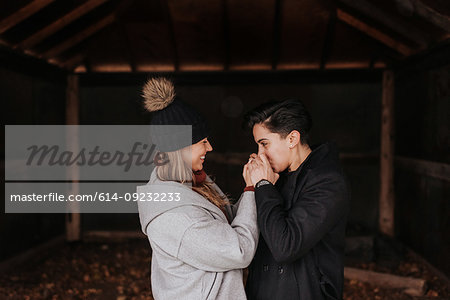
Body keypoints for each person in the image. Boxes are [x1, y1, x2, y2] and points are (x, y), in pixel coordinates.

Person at [137, 77, 258, 300]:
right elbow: (239, 250)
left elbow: (229, 222)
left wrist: (255, 187)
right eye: (202, 141)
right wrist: (251, 189)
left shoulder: (191, 183)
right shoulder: (177, 216)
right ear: (180, 148)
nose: (209, 147)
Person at [243, 99, 350, 300]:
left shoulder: (327, 182)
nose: (260, 155)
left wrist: (264, 187)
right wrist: (253, 188)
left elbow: (286, 247)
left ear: (292, 139)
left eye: (264, 144)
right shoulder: (277, 176)